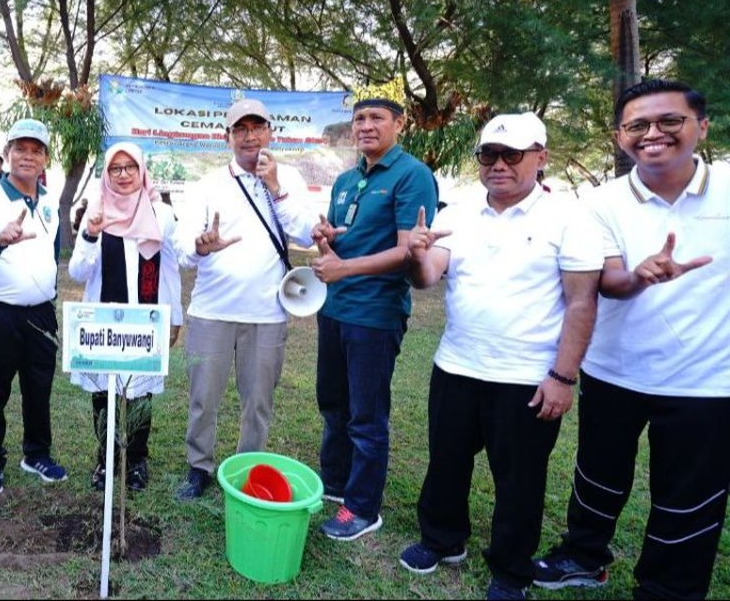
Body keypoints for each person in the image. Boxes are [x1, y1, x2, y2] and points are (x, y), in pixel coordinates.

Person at [532, 80, 729, 600]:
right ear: (621, 137)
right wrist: (643, 274)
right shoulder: (599, 202)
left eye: (669, 121)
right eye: (638, 125)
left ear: (700, 127)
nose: (653, 134)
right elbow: (609, 284)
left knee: (688, 497)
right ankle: (582, 555)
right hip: (616, 370)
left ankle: (668, 589)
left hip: (708, 383)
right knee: (598, 476)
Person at [400, 113, 602, 599]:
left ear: (541, 157)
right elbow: (428, 277)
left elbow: (581, 302)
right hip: (457, 364)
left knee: (519, 480)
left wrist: (563, 376)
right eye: (489, 154)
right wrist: (415, 254)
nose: (499, 165)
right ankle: (442, 540)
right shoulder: (459, 212)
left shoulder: (569, 217)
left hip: (527, 375)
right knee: (446, 461)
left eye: (513, 155)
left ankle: (512, 570)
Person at [174, 98, 316, 500]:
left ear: (270, 133)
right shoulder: (207, 185)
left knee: (258, 401)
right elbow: (184, 246)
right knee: (204, 397)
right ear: (228, 138)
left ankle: (248, 469)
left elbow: (306, 234)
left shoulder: (289, 179)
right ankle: (199, 467)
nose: (250, 136)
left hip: (267, 313)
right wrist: (202, 246)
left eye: (258, 127)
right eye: (241, 129)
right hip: (212, 311)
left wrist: (276, 189)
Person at [309, 97, 437, 540]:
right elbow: (346, 235)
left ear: (399, 124)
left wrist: (344, 268)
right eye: (359, 118)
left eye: (377, 118)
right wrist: (328, 237)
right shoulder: (346, 179)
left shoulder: (412, 175)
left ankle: (363, 508)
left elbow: (408, 251)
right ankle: (337, 483)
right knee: (333, 401)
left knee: (366, 413)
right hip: (334, 307)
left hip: (375, 313)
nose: (366, 125)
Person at [0, 119, 65, 495]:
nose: (27, 156)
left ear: (45, 159)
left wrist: (46, 293)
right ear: (6, 155)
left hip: (39, 313)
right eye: (20, 148)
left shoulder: (51, 202)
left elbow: (53, 254)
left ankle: (36, 453)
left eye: (36, 150)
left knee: (39, 388)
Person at [69, 142, 182, 492]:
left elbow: (172, 269)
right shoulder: (97, 211)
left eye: (129, 167)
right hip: (103, 325)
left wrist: (174, 316)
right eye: (115, 168)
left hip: (144, 322)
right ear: (106, 173)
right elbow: (76, 272)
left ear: (142, 170)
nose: (122, 175)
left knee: (140, 394)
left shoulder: (160, 214)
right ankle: (105, 460)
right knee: (104, 395)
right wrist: (90, 233)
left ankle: (135, 461)